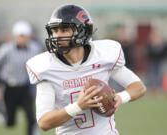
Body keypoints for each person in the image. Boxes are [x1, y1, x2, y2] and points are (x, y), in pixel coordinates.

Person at [26, 4, 146, 135]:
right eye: (55, 30)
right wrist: (78, 106)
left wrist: (120, 98)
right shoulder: (47, 68)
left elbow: (139, 87)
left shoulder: (102, 56)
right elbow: (44, 122)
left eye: (64, 30)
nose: (58, 35)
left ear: (81, 31)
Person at [0, 21, 42, 135]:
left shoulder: (35, 48)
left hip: (25, 87)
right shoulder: (6, 49)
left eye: (25, 36)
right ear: (15, 36)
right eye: (20, 36)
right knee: (9, 122)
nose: (23, 39)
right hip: (8, 87)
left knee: (31, 116)